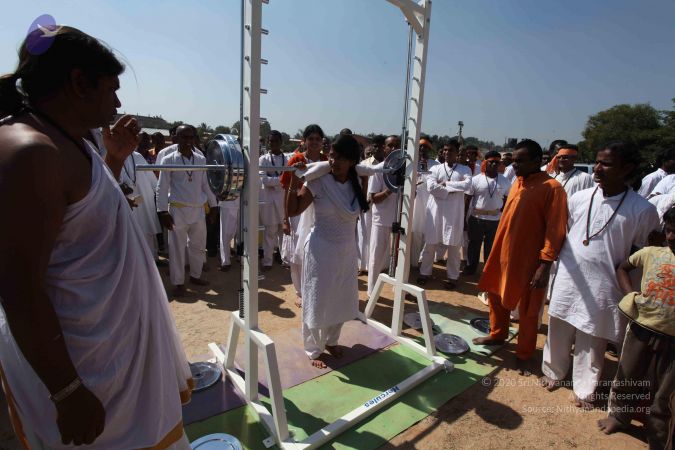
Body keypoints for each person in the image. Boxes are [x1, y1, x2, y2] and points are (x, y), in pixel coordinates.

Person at [0, 26, 192, 448]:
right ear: (78, 83)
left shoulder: (69, 139)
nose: (117, 104)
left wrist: (114, 160)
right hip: (84, 370)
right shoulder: (31, 152)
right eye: (111, 90)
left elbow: (81, 219)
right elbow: (19, 289)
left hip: (111, 358)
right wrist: (67, 391)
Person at [541, 142, 660, 408]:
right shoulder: (580, 197)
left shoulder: (642, 210)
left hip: (605, 284)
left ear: (627, 168)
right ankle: (553, 371)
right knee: (558, 323)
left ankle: (585, 388)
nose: (596, 168)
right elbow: (568, 233)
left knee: (593, 334)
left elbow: (641, 255)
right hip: (569, 276)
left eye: (605, 164)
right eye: (596, 162)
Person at [473, 139, 567, 369]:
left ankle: (524, 353)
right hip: (502, 254)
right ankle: (498, 334)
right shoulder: (517, 182)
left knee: (528, 309)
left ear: (537, 161)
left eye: (520, 161)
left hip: (529, 261)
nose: (514, 165)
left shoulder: (552, 188)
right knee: (495, 295)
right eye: (513, 161)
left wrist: (544, 265)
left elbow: (555, 230)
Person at [286, 134, 370, 368]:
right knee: (317, 300)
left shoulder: (357, 182)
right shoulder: (318, 182)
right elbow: (293, 210)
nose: (334, 162)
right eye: (332, 156)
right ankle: (314, 349)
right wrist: (294, 181)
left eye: (341, 158)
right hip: (320, 251)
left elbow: (361, 208)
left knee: (340, 298)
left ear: (352, 161)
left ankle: (332, 341)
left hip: (346, 251)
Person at [597, 207, 675, 450]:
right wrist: (630, 294)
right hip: (641, 328)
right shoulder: (652, 253)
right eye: (669, 230)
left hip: (673, 338)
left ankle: (660, 438)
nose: (672, 236)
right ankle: (619, 417)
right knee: (628, 375)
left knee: (665, 393)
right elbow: (623, 267)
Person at [157, 124, 218, 296]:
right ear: (176, 138)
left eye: (191, 137)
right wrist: (162, 211)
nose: (188, 141)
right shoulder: (168, 159)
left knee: (198, 246)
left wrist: (214, 206)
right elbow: (162, 187)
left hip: (198, 210)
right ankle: (178, 283)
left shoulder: (200, 159)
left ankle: (195, 276)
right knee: (177, 249)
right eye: (184, 137)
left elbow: (205, 184)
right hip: (178, 210)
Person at [280, 124, 326, 305]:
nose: (314, 142)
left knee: (315, 250)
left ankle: (313, 288)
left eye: (317, 139)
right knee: (297, 253)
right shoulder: (296, 160)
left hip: (318, 211)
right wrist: (285, 219)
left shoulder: (325, 161)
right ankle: (300, 291)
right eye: (311, 139)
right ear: (304, 141)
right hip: (297, 211)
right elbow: (285, 190)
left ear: (322, 141)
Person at [418, 140, 472, 289]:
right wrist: (453, 190)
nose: (447, 153)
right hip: (435, 211)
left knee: (454, 246)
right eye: (445, 150)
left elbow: (467, 185)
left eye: (451, 150)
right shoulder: (435, 168)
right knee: (430, 244)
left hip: (454, 213)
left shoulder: (465, 169)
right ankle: (424, 272)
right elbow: (431, 187)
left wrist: (445, 184)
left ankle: (453, 277)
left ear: (457, 152)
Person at [463, 151, 511, 276]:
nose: (494, 164)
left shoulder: (505, 181)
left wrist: (503, 216)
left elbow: (507, 200)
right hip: (476, 218)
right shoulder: (476, 180)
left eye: (497, 162)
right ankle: (471, 268)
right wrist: (464, 219)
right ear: (485, 162)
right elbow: (467, 200)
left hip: (495, 220)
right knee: (474, 244)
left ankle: (487, 271)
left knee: (491, 247)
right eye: (491, 162)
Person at [367, 135, 401, 296]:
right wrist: (390, 189)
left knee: (401, 257)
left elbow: (412, 194)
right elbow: (374, 198)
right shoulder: (379, 169)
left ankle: (399, 288)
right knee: (376, 257)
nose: (393, 149)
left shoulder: (405, 168)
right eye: (390, 145)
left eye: (396, 145)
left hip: (400, 220)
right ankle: (372, 292)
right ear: (384, 148)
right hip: (381, 220)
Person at [120, 149, 163, 262]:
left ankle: (151, 259)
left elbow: (151, 178)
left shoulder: (137, 155)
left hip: (143, 198)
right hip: (127, 200)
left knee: (147, 227)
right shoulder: (111, 154)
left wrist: (158, 192)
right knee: (131, 231)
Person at [259, 130, 287, 270]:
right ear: (267, 142)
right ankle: (267, 261)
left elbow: (289, 178)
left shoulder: (287, 158)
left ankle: (284, 259)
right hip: (269, 201)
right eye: (271, 141)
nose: (273, 143)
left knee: (284, 232)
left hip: (283, 200)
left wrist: (275, 181)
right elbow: (264, 179)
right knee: (270, 232)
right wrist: (280, 180)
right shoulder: (263, 159)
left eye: (276, 141)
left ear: (281, 142)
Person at [411, 138, 440, 264]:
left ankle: (423, 260)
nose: (423, 149)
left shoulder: (436, 165)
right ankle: (413, 261)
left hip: (430, 201)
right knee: (415, 231)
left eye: (426, 147)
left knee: (427, 231)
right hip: (415, 201)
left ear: (429, 149)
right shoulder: (411, 163)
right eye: (421, 146)